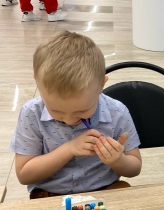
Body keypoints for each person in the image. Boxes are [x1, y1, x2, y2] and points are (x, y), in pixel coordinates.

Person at [10, 31, 142, 199]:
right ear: (37, 82)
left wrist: (118, 160)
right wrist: (69, 149)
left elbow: (135, 168)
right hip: (50, 195)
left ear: (102, 85)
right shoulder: (31, 113)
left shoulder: (117, 112)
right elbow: (24, 175)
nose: (69, 120)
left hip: (106, 190)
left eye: (82, 111)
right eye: (56, 111)